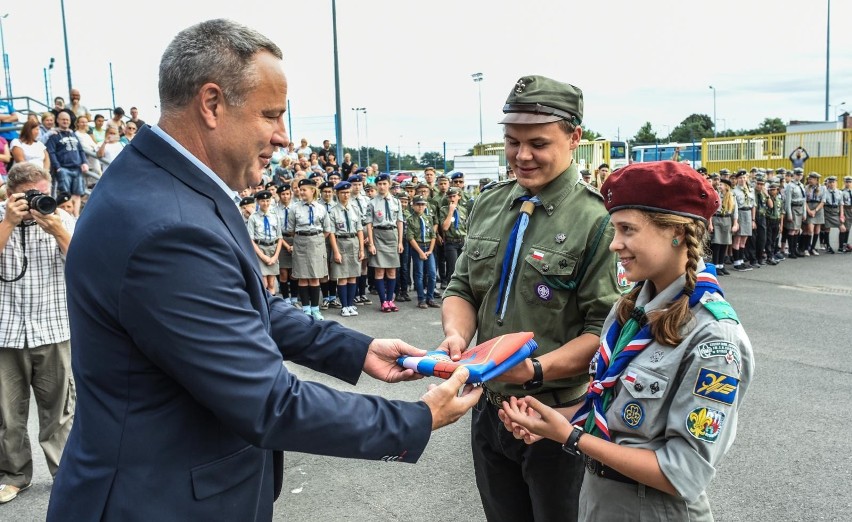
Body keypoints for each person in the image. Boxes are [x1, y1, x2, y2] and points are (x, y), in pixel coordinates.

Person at [46, 19, 480, 522]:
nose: (281, 136)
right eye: (270, 115)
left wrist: (355, 348)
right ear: (211, 104)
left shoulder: (166, 186)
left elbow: (245, 304)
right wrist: (415, 420)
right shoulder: (166, 225)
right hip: (158, 502)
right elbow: (269, 402)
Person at [500, 161, 754, 522]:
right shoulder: (630, 308)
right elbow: (614, 414)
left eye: (627, 230)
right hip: (600, 501)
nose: (614, 244)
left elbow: (682, 472)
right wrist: (550, 420)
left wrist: (571, 438)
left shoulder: (714, 337)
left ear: (677, 233)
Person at [440, 75, 622, 522]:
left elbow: (604, 331)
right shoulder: (490, 203)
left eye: (538, 143)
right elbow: (462, 288)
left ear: (574, 138)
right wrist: (456, 338)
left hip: (557, 417)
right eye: (511, 142)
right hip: (490, 410)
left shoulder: (597, 220)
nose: (522, 156)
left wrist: (536, 370)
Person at [0, 163, 76, 505]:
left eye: (41, 193)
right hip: (6, 331)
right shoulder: (2, 219)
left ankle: (66, 474)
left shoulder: (61, 219)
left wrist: (58, 229)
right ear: (10, 193)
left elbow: (84, 266)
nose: (36, 201)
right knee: (7, 413)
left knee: (59, 412)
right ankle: (15, 475)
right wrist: (8, 223)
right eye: (29, 195)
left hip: (53, 327)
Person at [288, 179, 331, 320]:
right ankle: (306, 309)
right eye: (300, 190)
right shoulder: (294, 208)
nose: (301, 192)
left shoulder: (321, 208)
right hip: (300, 241)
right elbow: (291, 229)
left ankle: (315, 309)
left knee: (314, 277)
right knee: (302, 277)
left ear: (312, 190)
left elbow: (327, 229)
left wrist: (316, 238)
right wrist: (303, 237)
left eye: (304, 190)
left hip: (317, 242)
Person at [366, 173, 404, 312]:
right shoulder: (372, 202)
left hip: (392, 235)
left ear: (389, 184)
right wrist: (371, 243)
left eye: (384, 184)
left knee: (392, 271)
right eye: (380, 184)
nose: (382, 186)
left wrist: (400, 242)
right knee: (380, 270)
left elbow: (399, 222)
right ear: (377, 185)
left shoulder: (396, 201)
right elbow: (369, 224)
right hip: (378, 235)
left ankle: (390, 300)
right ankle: (383, 301)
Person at [328, 180, 365, 316]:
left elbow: (360, 230)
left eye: (348, 193)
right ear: (337, 194)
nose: (346, 195)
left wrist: (361, 249)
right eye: (343, 193)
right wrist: (336, 251)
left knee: (353, 276)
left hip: (353, 242)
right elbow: (331, 233)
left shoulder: (355, 208)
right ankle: (344, 306)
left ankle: (350, 304)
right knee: (342, 276)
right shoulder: (333, 211)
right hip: (341, 243)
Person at [46, 112, 89, 216]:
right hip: (63, 169)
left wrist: (84, 162)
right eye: (63, 119)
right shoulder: (53, 136)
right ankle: (66, 217)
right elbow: (51, 152)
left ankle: (76, 216)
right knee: (65, 195)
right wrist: (57, 167)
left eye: (67, 120)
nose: (65, 121)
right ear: (58, 120)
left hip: (77, 168)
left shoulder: (73, 134)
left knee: (77, 194)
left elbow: (81, 150)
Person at [406, 195, 439, 309]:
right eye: (418, 204)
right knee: (419, 274)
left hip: (429, 247)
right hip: (418, 247)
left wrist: (430, 250)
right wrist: (420, 252)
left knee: (432, 274)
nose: (420, 207)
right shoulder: (410, 219)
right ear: (413, 205)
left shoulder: (428, 218)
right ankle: (421, 299)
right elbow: (410, 237)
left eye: (422, 204)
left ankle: (430, 298)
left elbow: (433, 235)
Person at [248, 190, 284, 293]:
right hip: (260, 249)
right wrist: (262, 256)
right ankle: (265, 306)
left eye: (268, 200)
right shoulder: (253, 217)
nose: (265, 203)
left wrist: (275, 256)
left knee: (271, 283)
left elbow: (279, 238)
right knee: (264, 283)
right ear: (258, 202)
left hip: (273, 249)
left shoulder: (275, 216)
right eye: (263, 201)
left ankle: (271, 305)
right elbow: (251, 239)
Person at [438, 186, 467, 283]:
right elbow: (445, 227)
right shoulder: (444, 210)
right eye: (449, 197)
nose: (452, 199)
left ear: (459, 197)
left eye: (454, 196)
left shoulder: (463, 210)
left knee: (463, 268)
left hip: (462, 241)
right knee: (453, 268)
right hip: (451, 242)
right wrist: (450, 212)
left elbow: (466, 226)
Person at [709, 178, 737, 275]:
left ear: (726, 187)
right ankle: (715, 266)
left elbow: (735, 211)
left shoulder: (732, 196)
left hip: (727, 220)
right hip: (717, 219)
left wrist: (735, 223)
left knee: (725, 243)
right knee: (717, 243)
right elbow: (711, 210)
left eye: (721, 184)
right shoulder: (715, 195)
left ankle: (721, 265)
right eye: (719, 184)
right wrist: (710, 223)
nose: (719, 186)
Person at [804, 172, 825, 256]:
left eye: (811, 179)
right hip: (809, 206)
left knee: (817, 230)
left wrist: (815, 210)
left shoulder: (822, 188)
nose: (810, 180)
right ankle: (806, 248)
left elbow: (823, 201)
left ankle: (812, 248)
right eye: (809, 179)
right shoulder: (806, 188)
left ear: (816, 180)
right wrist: (809, 210)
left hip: (818, 208)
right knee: (810, 229)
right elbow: (804, 200)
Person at [821, 176, 843, 253]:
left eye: (833, 182)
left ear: (836, 183)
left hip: (836, 212)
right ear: (828, 183)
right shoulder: (825, 192)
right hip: (827, 211)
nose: (832, 184)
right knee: (827, 229)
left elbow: (841, 204)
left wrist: (841, 215)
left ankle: (841, 246)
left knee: (842, 228)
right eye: (830, 182)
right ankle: (828, 246)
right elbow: (822, 203)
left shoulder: (840, 192)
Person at [840, 176, 852, 253]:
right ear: (844, 182)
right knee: (844, 228)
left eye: (850, 182)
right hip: (846, 209)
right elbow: (841, 203)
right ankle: (842, 246)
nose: (848, 183)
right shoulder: (842, 192)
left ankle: (845, 244)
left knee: (848, 228)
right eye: (846, 182)